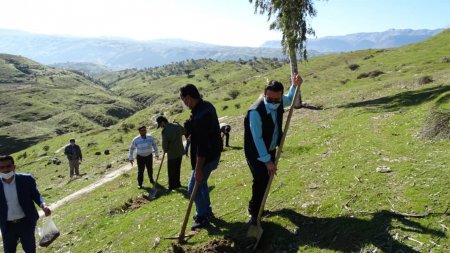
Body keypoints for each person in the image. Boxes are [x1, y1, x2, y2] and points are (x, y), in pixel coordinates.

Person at [244, 73, 303, 225]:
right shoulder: (255, 112)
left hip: (270, 147)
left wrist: (295, 86)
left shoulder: (279, 101)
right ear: (265, 94)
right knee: (261, 180)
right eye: (270, 99)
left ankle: (259, 208)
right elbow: (257, 139)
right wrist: (267, 161)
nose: (274, 102)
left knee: (267, 178)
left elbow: (289, 99)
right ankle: (254, 213)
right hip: (256, 152)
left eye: (277, 99)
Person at [179, 84, 222, 230]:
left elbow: (202, 148)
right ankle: (207, 211)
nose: (184, 103)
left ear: (189, 98)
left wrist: (198, 169)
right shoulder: (205, 107)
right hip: (213, 153)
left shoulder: (201, 116)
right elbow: (205, 131)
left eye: (183, 100)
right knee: (201, 184)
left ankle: (203, 216)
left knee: (193, 188)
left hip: (207, 157)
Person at [0, 155, 51, 253]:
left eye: (8, 166)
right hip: (7, 226)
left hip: (26, 222)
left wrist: (43, 205)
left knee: (30, 250)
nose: (5, 169)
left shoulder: (26, 179)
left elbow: (36, 195)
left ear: (14, 166)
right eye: (2, 167)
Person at [156, 115, 186, 191]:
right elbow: (184, 131)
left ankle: (172, 186)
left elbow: (165, 146)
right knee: (177, 168)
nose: (161, 127)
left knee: (171, 170)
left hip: (172, 154)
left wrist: (165, 150)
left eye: (160, 125)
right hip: (180, 151)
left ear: (163, 122)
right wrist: (177, 124)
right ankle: (177, 184)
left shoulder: (165, 131)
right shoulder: (176, 125)